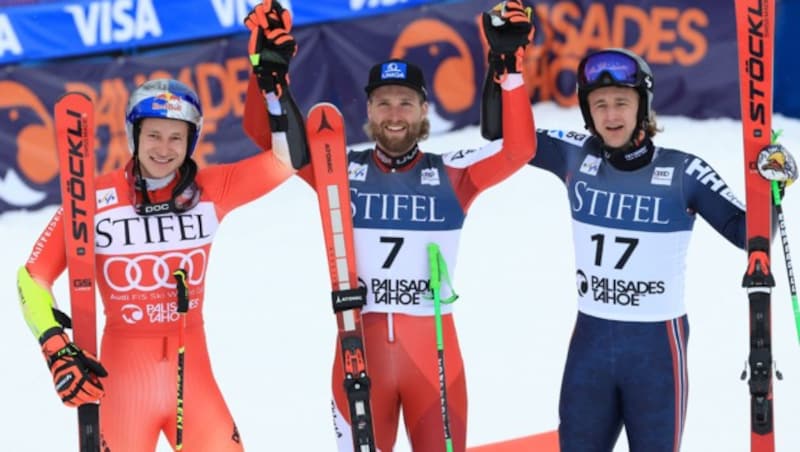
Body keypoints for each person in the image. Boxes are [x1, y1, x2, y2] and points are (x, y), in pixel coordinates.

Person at [242, 1, 536, 450]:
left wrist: (511, 71)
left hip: (434, 359)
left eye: (405, 103)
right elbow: (267, 140)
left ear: (423, 112)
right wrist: (264, 74)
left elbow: (517, 150)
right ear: (369, 110)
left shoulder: (454, 174)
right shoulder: (335, 168)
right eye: (383, 103)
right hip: (360, 352)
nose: (394, 114)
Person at [485, 47, 797, 451]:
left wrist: (772, 190)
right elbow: (502, 134)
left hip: (655, 355)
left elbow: (747, 234)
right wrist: (503, 68)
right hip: (590, 349)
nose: (611, 116)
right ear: (586, 110)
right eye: (599, 105)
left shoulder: (684, 171)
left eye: (621, 103)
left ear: (643, 105)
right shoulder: (574, 154)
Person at [16, 69, 298, 449]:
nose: (163, 149)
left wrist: (273, 86)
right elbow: (32, 277)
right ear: (134, 135)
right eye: (153, 135)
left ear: (190, 142)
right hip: (123, 386)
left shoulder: (212, 190)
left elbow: (288, 160)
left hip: (193, 381)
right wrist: (55, 348)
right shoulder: (91, 200)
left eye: (176, 138)